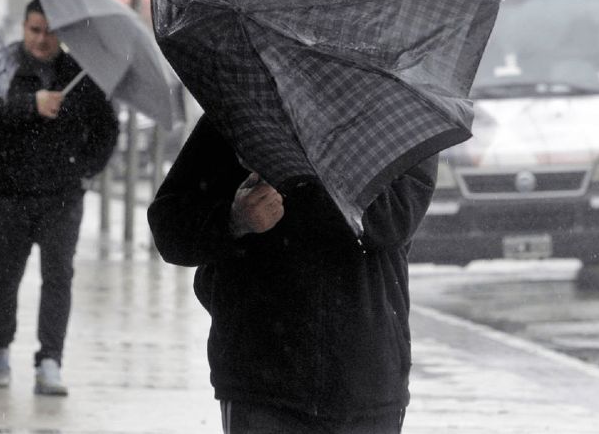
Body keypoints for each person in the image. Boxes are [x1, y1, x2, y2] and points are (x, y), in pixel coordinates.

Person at [148, 115, 437, 433]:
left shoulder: (397, 119)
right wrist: (234, 220)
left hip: (366, 375)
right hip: (260, 375)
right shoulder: (244, 113)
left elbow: (391, 219)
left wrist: (301, 173)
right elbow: (170, 226)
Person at [0, 0, 118, 395]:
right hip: (5, 193)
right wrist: (30, 105)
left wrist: (86, 171)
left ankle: (50, 360)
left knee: (58, 277)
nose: (41, 39)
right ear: (23, 27)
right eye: (34, 29)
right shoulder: (3, 65)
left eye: (49, 31)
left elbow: (106, 128)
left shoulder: (79, 73)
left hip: (61, 195)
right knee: (4, 275)